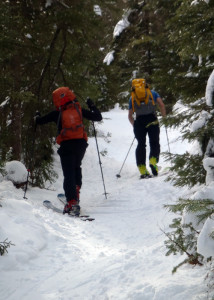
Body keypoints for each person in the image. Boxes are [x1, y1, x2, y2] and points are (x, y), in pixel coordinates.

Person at [35, 87, 102, 214]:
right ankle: (75, 196)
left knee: (69, 174)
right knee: (77, 167)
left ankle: (71, 203)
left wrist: (37, 115)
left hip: (66, 146)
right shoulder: (79, 110)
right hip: (81, 144)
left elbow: (40, 121)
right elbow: (98, 117)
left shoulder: (58, 114)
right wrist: (92, 105)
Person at [128, 80, 166, 178]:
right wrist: (164, 118)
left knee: (141, 144)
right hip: (152, 119)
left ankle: (142, 168)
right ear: (145, 85)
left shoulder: (132, 97)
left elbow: (130, 116)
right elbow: (161, 105)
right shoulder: (153, 93)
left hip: (139, 122)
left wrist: (135, 125)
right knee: (154, 142)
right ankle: (153, 160)